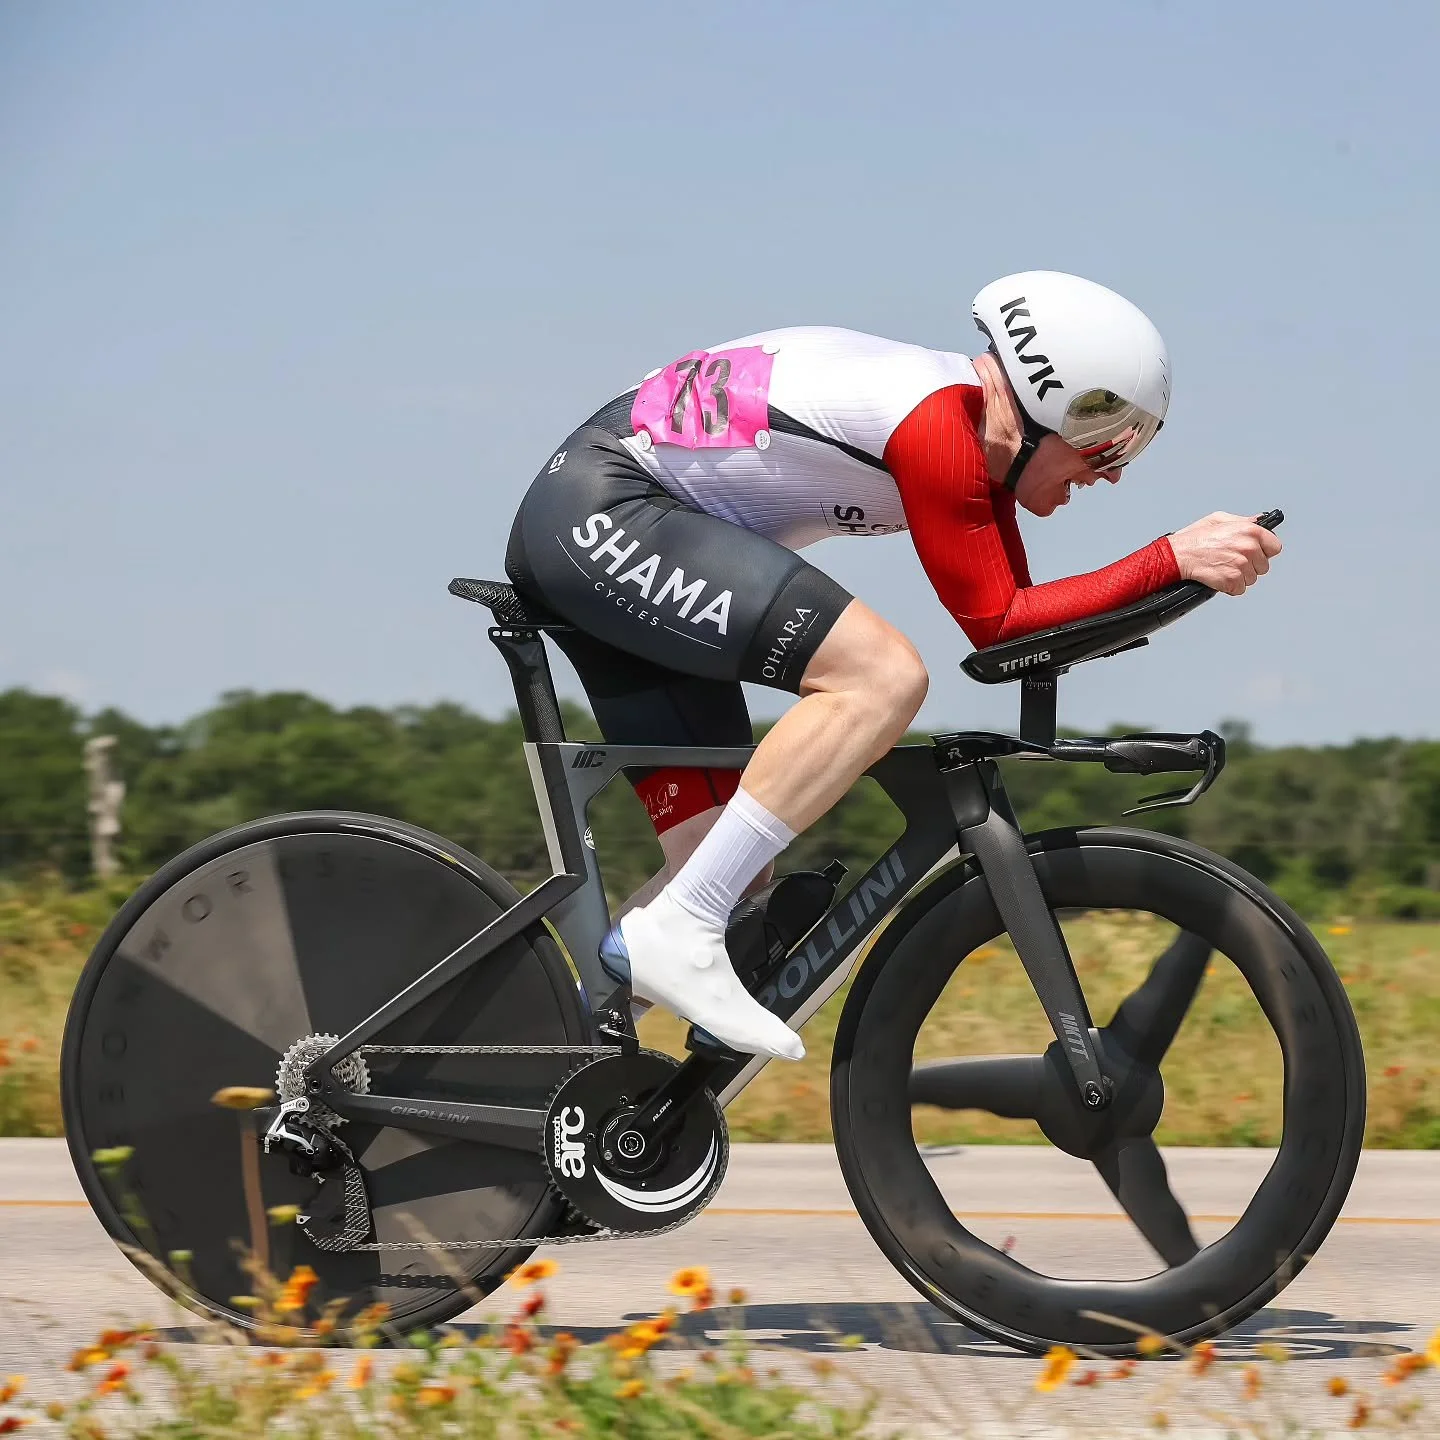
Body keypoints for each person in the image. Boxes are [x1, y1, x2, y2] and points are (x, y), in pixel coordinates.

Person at [505, 271, 1281, 1061]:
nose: (1112, 471)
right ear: (1045, 400)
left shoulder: (971, 438)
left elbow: (1017, 623)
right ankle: (680, 928)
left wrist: (1176, 576)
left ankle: (534, 1072)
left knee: (734, 871)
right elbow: (998, 621)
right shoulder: (940, 424)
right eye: (1105, 439)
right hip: (605, 511)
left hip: (616, 524)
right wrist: (1171, 557)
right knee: (881, 677)